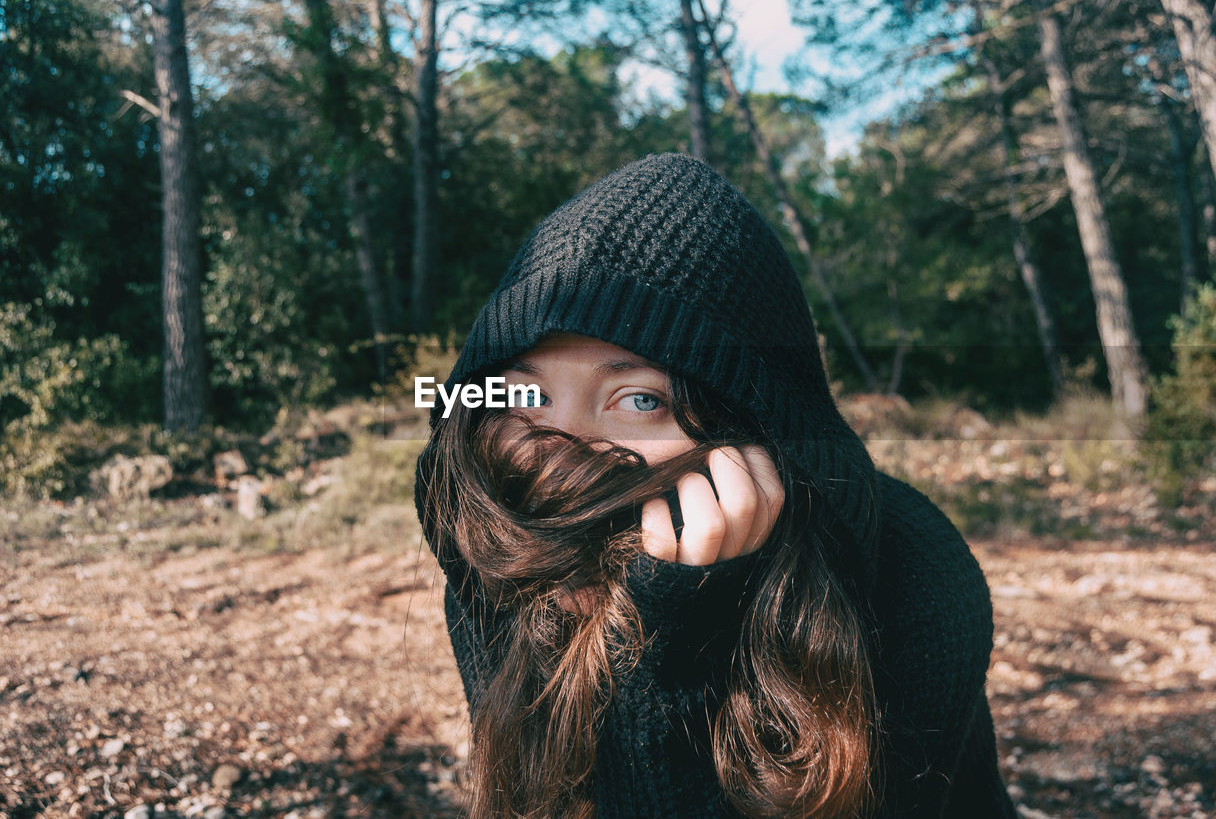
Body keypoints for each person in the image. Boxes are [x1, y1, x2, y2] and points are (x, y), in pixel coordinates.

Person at [414, 153, 1017, 818]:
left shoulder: (912, 576)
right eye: (525, 392)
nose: (558, 451)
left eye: (640, 399)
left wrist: (671, 652)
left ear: (749, 432)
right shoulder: (499, 560)